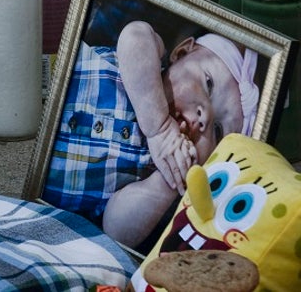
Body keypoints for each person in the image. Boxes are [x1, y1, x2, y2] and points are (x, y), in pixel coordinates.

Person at [43, 20, 259, 251]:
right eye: (208, 84)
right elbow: (134, 35)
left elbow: (115, 233)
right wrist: (160, 128)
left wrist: (169, 181)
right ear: (181, 52)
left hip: (31, 181)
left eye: (218, 130)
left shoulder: (150, 174)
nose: (204, 117)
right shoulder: (148, 63)